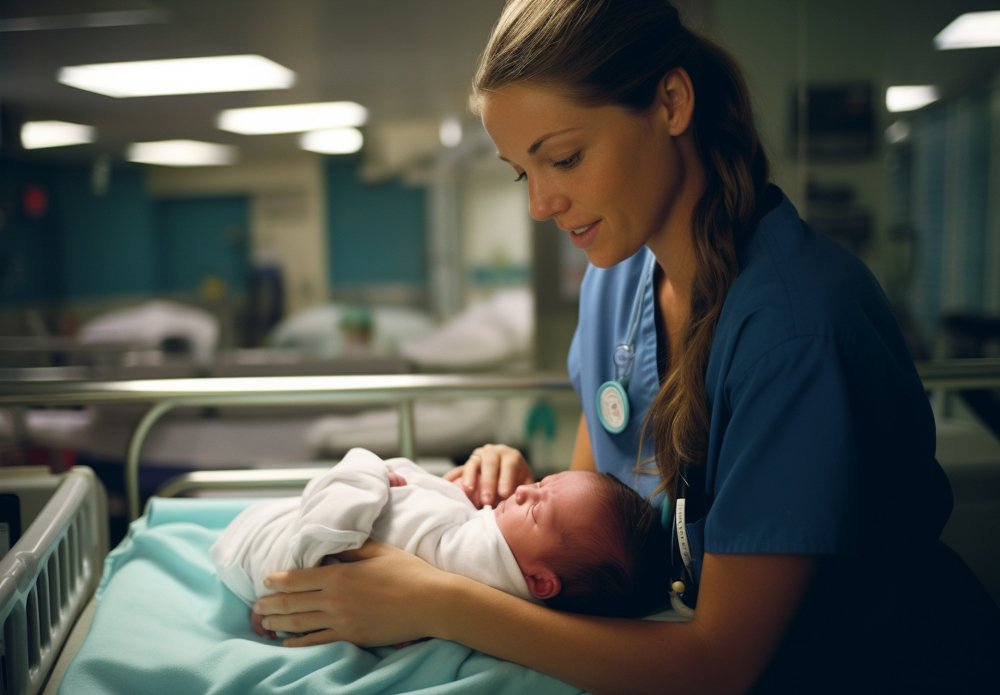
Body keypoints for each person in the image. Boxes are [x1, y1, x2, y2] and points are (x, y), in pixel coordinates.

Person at [252, 1, 1000, 693]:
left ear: (671, 104)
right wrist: (505, 511)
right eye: (523, 171)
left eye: (565, 158)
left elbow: (720, 664)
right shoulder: (614, 287)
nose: (541, 203)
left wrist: (437, 600)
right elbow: (599, 531)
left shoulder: (797, 331)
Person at [211, 447, 670, 633]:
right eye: (542, 482)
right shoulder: (514, 591)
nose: (523, 490)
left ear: (541, 581)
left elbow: (399, 524)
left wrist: (380, 473)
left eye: (535, 507)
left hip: (271, 551)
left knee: (362, 469)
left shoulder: (471, 553)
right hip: (274, 568)